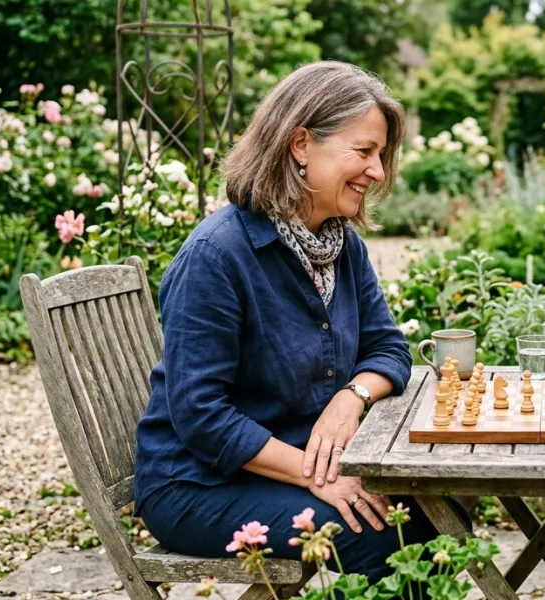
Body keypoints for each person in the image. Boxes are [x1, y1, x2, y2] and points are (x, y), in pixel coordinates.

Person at [133, 61, 462, 581]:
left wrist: (348, 400)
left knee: (442, 508)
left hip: (290, 459)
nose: (377, 172)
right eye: (364, 151)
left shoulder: (340, 244)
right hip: (198, 484)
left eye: (380, 155)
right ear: (301, 144)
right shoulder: (217, 256)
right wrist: (318, 476)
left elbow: (389, 349)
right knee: (379, 536)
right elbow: (201, 414)